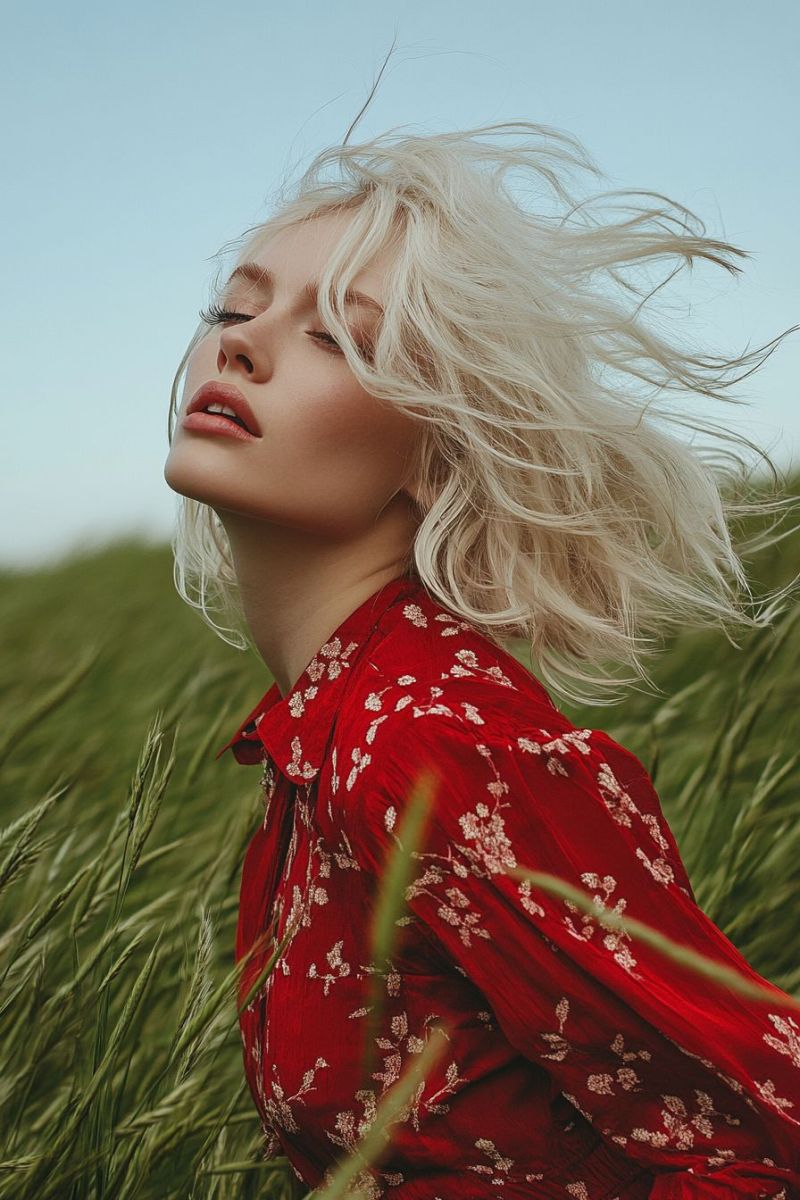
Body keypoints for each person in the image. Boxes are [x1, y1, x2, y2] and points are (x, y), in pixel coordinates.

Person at [163, 121, 800, 1198]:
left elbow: (763, 1132)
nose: (239, 344)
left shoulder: (430, 744)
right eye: (235, 305)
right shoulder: (327, 728)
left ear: (438, 442)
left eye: (339, 337)